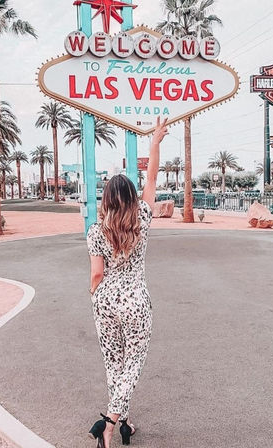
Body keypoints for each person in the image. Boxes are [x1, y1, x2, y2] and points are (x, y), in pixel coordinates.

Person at [86, 117, 169, 448]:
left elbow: (96, 274)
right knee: (132, 365)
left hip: (105, 302)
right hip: (136, 304)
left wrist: (96, 295)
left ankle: (122, 420)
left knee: (113, 363)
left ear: (106, 199)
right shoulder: (142, 222)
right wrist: (155, 142)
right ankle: (110, 424)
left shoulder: (96, 231)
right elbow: (151, 178)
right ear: (132, 199)